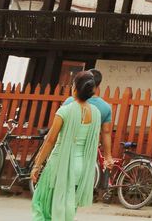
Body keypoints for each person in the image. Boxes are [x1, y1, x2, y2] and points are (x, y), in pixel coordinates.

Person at [31, 71, 102, 221]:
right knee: (67, 207)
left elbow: (50, 140)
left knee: (42, 205)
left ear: (74, 88)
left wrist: (37, 165)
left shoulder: (65, 111)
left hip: (59, 165)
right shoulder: (96, 114)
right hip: (80, 168)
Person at [62, 68, 114, 173]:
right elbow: (106, 132)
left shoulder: (70, 101)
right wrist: (108, 156)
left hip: (66, 149)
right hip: (88, 153)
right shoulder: (105, 107)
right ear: (98, 85)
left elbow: (58, 128)